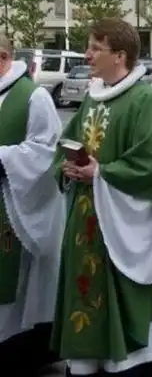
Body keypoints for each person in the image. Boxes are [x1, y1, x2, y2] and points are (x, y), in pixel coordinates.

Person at [52, 18, 152, 376]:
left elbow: (151, 162)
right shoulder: (92, 99)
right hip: (88, 216)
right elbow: (68, 142)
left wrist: (101, 172)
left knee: (121, 288)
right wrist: (66, 167)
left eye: (95, 48)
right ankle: (88, 358)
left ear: (120, 55)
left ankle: (129, 358)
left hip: (126, 219)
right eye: (88, 47)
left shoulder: (147, 101)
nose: (87, 54)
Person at [0, 37, 64, 374]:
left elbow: (45, 149)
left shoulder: (33, 96)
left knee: (18, 282)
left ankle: (20, 348)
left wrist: (3, 157)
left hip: (15, 206)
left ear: (3, 56)